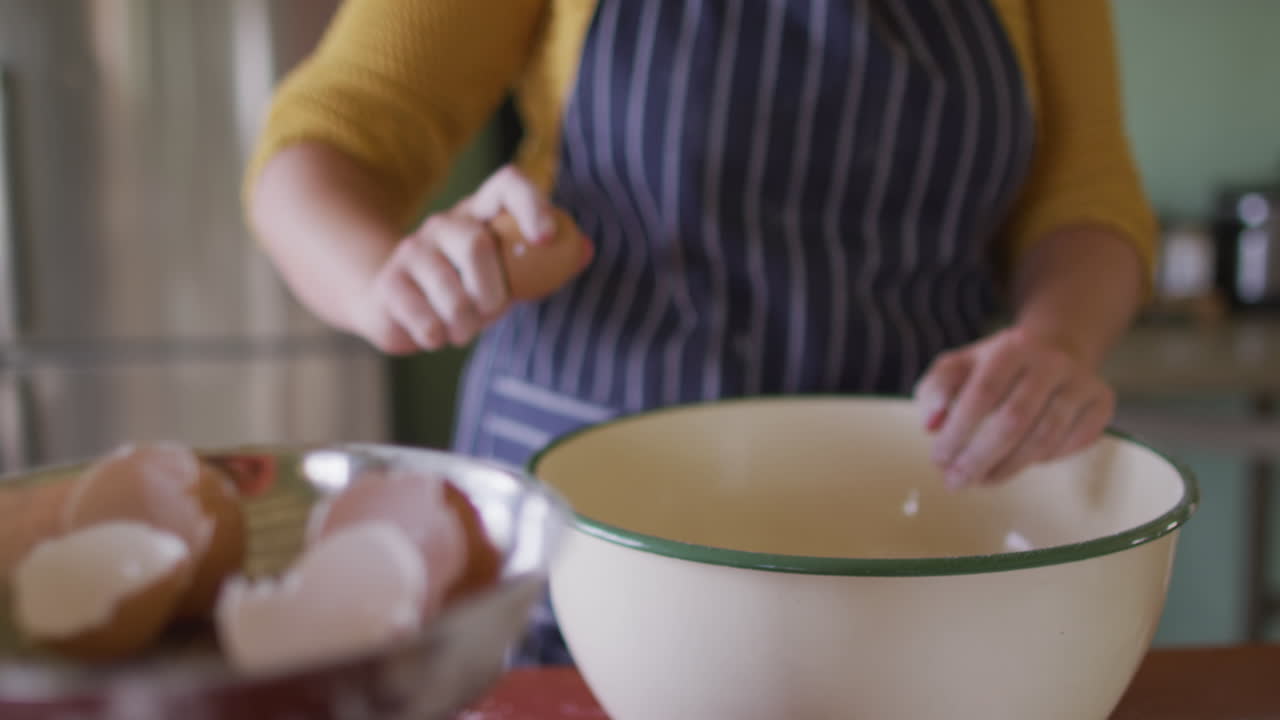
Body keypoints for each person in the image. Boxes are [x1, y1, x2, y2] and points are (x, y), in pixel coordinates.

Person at [244, 0, 1156, 665]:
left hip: (904, 524)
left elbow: (1085, 195)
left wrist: (1059, 341)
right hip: (589, 531)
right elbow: (331, 137)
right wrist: (387, 284)